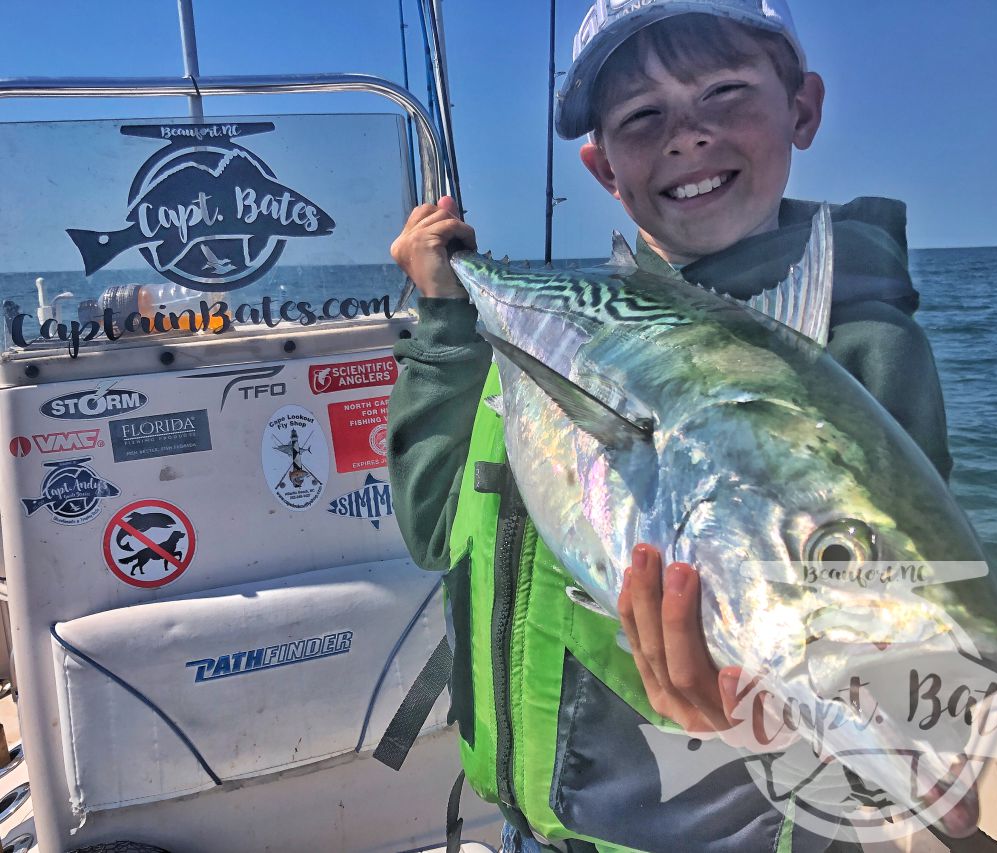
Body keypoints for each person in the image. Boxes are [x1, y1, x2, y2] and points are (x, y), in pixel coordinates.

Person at [388, 1, 952, 851]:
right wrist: (444, 316)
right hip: (527, 830)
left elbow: (882, 614)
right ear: (603, 166)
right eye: (642, 117)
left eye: (724, 92)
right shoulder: (549, 340)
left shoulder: (855, 353)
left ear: (802, 109)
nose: (687, 135)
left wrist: (770, 721)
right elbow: (438, 531)